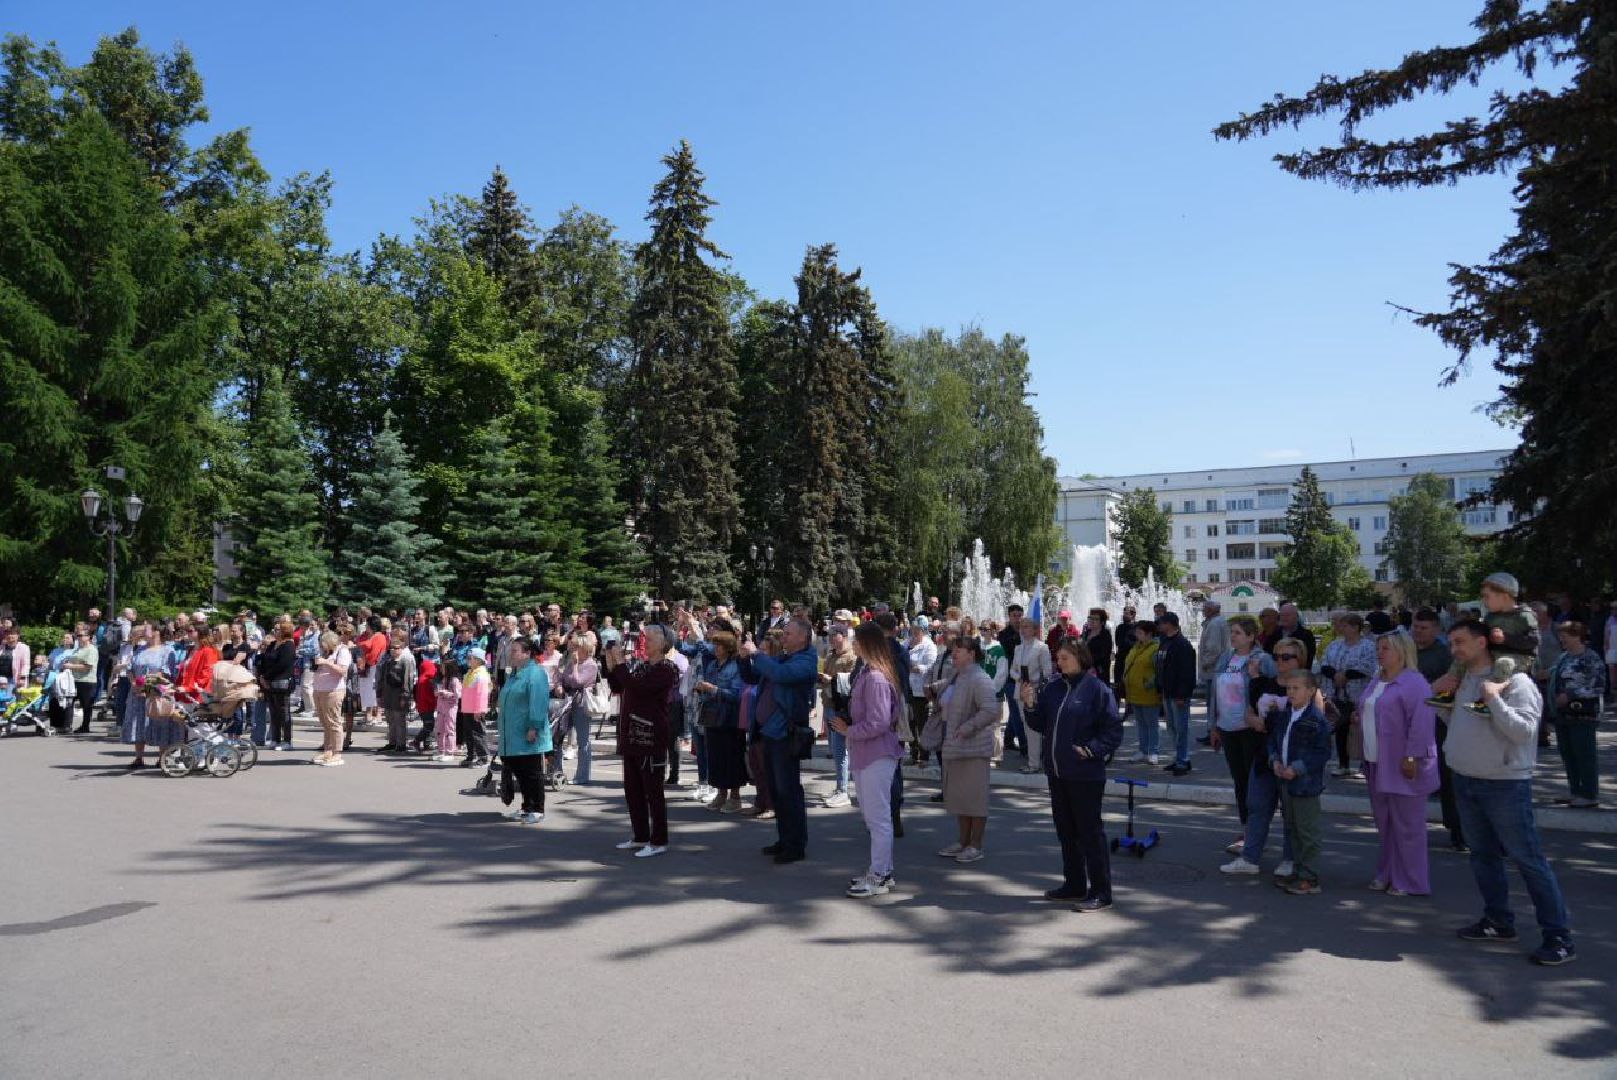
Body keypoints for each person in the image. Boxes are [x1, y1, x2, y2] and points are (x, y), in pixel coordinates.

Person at [1443, 618, 1575, 966]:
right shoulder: (1463, 680)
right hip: (1465, 778)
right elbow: (1458, 723)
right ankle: (1498, 921)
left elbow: (1524, 731)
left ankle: (1559, 937)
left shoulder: (1515, 682)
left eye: (1460, 641)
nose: (1454, 649)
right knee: (1483, 857)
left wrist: (1494, 700)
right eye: (1451, 643)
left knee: (1528, 860)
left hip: (1504, 784)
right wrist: (1443, 702)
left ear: (1482, 642)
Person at [1020, 637, 1123, 911]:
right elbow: (1040, 724)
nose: (1059, 661)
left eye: (1065, 657)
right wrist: (1029, 704)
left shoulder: (1097, 690)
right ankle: (1074, 884)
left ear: (1081, 657)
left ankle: (1101, 891)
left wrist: (1091, 750)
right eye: (1058, 657)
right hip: (1057, 772)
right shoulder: (1053, 687)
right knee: (1066, 832)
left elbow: (1113, 731)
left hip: (1085, 774)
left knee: (1090, 833)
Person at [1361, 630, 1440, 897]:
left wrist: (1411, 756)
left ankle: (1411, 880)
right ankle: (1388, 873)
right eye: (1379, 648)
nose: (1380, 653)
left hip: (1404, 764)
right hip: (1375, 762)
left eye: (1386, 648)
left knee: (1408, 827)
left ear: (1402, 652)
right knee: (1385, 824)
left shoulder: (1415, 683)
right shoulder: (1377, 679)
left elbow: (1422, 723)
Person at [740, 617, 818, 865]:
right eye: (783, 633)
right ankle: (784, 839)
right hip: (770, 733)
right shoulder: (784, 658)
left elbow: (781, 675)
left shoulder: (805, 660)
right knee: (777, 791)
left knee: (788, 791)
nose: (783, 637)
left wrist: (757, 655)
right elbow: (753, 676)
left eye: (788, 634)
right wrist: (745, 657)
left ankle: (795, 845)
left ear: (803, 638)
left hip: (786, 734)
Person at [841, 623, 906, 898]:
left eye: (857, 641)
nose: (853, 645)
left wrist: (849, 731)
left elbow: (878, 721)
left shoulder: (876, 677)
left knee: (878, 819)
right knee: (873, 818)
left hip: (877, 753)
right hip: (867, 753)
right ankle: (882, 871)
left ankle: (879, 875)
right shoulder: (868, 673)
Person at [605, 625, 680, 857]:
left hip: (650, 736)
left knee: (653, 791)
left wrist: (620, 665)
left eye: (650, 638)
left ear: (664, 643)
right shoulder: (642, 666)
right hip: (632, 735)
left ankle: (659, 840)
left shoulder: (667, 669)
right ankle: (640, 836)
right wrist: (610, 664)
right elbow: (619, 686)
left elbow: (639, 687)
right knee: (633, 790)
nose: (645, 642)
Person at [1209, 615, 1277, 855]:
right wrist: (1214, 726)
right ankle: (1247, 828)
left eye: (1237, 632)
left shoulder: (1262, 660)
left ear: (1251, 636)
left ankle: (1256, 832)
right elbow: (1214, 694)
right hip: (1227, 728)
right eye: (1232, 632)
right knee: (1240, 782)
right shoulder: (1226, 658)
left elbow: (1272, 692)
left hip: (1250, 730)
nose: (1233, 636)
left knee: (1253, 784)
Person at [1431, 572, 1539, 715]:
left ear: (1504, 596)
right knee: (1461, 660)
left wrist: (1505, 638)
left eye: (1487, 596)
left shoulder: (1524, 615)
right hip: (1493, 653)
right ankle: (1448, 693)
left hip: (1518, 657)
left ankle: (1488, 700)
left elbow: (1533, 641)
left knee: (1503, 664)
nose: (1484, 600)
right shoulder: (1490, 616)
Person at [1266, 670, 1333, 895]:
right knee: (1292, 828)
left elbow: (1322, 753)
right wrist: (1275, 760)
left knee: (1307, 831)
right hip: (1285, 781)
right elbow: (1274, 741)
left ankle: (1310, 877)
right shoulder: (1285, 714)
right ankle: (1298, 869)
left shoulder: (1316, 720)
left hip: (1305, 785)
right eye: (1289, 688)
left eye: (1296, 688)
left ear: (1311, 691)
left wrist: (1297, 768)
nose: (1291, 692)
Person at [936, 638, 1001, 864]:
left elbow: (990, 710)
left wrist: (968, 727)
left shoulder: (980, 678)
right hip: (956, 745)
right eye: (953, 650)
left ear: (972, 653)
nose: (953, 654)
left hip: (973, 747)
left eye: (959, 651)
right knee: (961, 798)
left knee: (975, 799)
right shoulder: (959, 675)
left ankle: (976, 844)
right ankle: (963, 842)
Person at [1412, 608, 1465, 851]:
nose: (1418, 631)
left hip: (1436, 719)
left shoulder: (1444, 655)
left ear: (1436, 629)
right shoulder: (1408, 652)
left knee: (1446, 774)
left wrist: (1431, 697)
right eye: (1416, 626)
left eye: (1424, 628)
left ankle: (1457, 829)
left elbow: (1452, 686)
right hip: (1409, 719)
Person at [1546, 622, 1606, 808]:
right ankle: (1575, 791)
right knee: (1568, 753)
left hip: (1584, 713)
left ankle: (1589, 794)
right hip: (1563, 713)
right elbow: (1554, 675)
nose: (1561, 638)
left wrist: (1571, 694)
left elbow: (1598, 686)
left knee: (1584, 754)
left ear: (1577, 635)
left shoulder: (1591, 657)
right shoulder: (1563, 657)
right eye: (1560, 634)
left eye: (1565, 635)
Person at [496, 637, 551, 825]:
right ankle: (527, 806)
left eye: (515, 651)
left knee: (531, 772)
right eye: (511, 651)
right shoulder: (514, 674)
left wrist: (534, 727)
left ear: (527, 653)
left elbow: (539, 702)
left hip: (528, 732)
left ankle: (537, 808)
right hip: (513, 732)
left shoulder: (535, 674)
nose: (511, 654)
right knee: (520, 771)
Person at [692, 630, 746, 811]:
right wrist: (701, 688)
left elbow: (737, 694)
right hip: (712, 716)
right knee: (715, 757)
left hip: (729, 718)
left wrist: (713, 689)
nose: (715, 648)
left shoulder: (735, 666)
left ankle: (735, 796)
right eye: (714, 644)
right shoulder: (712, 665)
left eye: (718, 645)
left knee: (731, 756)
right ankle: (721, 794)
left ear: (728, 647)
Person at [1322, 613, 1376, 778]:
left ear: (1355, 627)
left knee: (1362, 729)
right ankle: (1343, 763)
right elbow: (1324, 663)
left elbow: (1368, 666)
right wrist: (1335, 675)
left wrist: (1346, 675)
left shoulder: (1368, 646)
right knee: (1340, 728)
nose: (1340, 628)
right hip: (1338, 694)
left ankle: (1363, 765)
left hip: (1359, 694)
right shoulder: (1334, 645)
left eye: (1344, 625)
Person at [122, 626, 181, 769]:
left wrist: (147, 687)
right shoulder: (140, 649)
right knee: (138, 722)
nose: (143, 632)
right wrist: (134, 683)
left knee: (159, 721)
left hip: (156, 692)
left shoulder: (167, 650)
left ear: (156, 632)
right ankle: (139, 757)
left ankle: (161, 757)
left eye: (147, 629)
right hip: (137, 692)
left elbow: (165, 672)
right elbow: (130, 668)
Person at [818, 623, 858, 808]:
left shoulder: (852, 656)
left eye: (835, 635)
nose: (831, 638)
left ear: (843, 635)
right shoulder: (831, 654)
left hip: (841, 708)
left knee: (841, 750)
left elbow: (853, 682)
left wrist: (831, 680)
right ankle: (839, 787)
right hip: (828, 705)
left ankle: (843, 790)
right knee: (835, 750)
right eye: (830, 635)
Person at [1155, 612, 1198, 775]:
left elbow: (1187, 672)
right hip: (1167, 691)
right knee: (1172, 727)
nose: (1159, 626)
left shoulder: (1182, 644)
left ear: (1170, 624)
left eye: (1162, 623)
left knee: (1181, 728)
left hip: (1178, 694)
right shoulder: (1165, 642)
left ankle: (1183, 760)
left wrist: (1182, 694)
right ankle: (1179, 758)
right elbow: (1161, 667)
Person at [554, 635, 599, 784]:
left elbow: (577, 682)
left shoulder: (591, 665)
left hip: (581, 704)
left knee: (583, 740)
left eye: (576, 647)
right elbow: (561, 677)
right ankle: (557, 771)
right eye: (572, 646)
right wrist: (559, 685)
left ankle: (582, 776)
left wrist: (574, 666)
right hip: (567, 702)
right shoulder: (571, 661)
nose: (573, 649)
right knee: (558, 736)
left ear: (585, 649)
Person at [1011, 617, 1052, 774]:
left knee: (1033, 729)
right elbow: (1012, 670)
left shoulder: (1042, 647)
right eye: (1022, 626)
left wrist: (1033, 681)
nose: (1023, 629)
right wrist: (1019, 678)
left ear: (1035, 629)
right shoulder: (1018, 648)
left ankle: (1034, 763)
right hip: (1019, 690)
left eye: (1027, 627)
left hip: (1033, 692)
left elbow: (1047, 672)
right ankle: (1033, 760)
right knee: (1026, 727)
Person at [309, 630, 351, 766]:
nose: (322, 646)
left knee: (334, 721)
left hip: (333, 690)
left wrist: (327, 663)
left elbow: (342, 671)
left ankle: (337, 752)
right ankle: (328, 750)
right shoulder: (326, 653)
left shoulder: (342, 651)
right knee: (325, 721)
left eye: (323, 643)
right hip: (320, 689)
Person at [1122, 621, 1161, 764]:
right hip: (1134, 692)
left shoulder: (1155, 648)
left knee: (1152, 724)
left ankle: (1153, 751)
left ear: (1149, 634)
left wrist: (1148, 684)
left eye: (1139, 632)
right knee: (1141, 724)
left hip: (1148, 693)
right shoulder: (1136, 647)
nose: (1136, 635)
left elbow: (1159, 670)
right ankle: (1143, 750)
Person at [257, 619, 298, 752]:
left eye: (278, 629)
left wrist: (267, 676)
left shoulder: (288, 645)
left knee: (284, 712)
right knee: (273, 712)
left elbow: (282, 664)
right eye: (274, 629)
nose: (275, 631)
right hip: (269, 682)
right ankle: (275, 739)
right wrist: (262, 676)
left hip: (282, 682)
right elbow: (264, 659)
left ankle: (287, 740)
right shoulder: (273, 644)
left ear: (285, 631)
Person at [375, 630, 417, 754]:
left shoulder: (406, 661)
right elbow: (382, 679)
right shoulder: (388, 662)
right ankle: (392, 742)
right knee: (390, 719)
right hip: (388, 694)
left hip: (399, 694)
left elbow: (407, 680)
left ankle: (401, 744)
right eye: (391, 648)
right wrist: (379, 693)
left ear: (401, 648)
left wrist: (405, 696)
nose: (393, 650)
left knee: (400, 720)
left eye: (396, 648)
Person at [1196, 600, 1231, 742]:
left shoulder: (1215, 624)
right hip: (1217, 669)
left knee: (1213, 704)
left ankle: (1213, 734)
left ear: (1211, 610)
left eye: (1205, 609)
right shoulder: (1218, 622)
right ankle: (1215, 733)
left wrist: (1205, 663)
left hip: (1213, 670)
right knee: (1215, 704)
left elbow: (1214, 648)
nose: (1203, 611)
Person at [904, 623, 938, 767]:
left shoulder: (929, 646)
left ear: (923, 631)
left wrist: (917, 668)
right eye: (912, 630)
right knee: (909, 723)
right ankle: (913, 752)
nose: (914, 632)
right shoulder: (906, 643)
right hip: (907, 688)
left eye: (917, 630)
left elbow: (932, 666)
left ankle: (924, 756)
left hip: (921, 690)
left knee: (922, 724)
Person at [458, 649, 493, 767]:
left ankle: (483, 757)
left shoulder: (481, 674)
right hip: (467, 709)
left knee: (478, 733)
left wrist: (479, 710)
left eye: (470, 658)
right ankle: (470, 755)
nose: (468, 660)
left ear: (478, 660)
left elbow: (482, 694)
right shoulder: (470, 673)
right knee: (469, 734)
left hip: (476, 710)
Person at [63, 627, 100, 733]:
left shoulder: (92, 649)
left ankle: (85, 726)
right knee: (69, 702)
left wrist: (70, 666)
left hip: (87, 681)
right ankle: (67, 725)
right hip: (74, 680)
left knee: (86, 705)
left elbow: (88, 666)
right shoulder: (78, 649)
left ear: (88, 637)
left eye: (81, 635)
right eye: (77, 636)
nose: (78, 638)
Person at [432, 656, 462, 762]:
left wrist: (446, 693)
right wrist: (437, 692)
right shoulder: (443, 679)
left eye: (444, 667)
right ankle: (441, 750)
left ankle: (450, 751)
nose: (441, 669)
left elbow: (458, 694)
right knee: (440, 728)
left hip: (450, 708)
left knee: (450, 728)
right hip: (441, 707)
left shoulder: (454, 680)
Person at [1080, 609, 1113, 689]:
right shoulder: (1086, 633)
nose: (1091, 621)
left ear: (1102, 622)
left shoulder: (1105, 636)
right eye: (1090, 618)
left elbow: (1103, 655)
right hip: (1084, 672)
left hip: (1099, 674)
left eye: (1095, 619)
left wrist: (1086, 661)